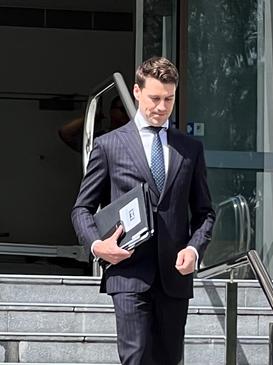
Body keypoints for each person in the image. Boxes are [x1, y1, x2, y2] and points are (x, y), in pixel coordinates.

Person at [71, 56, 215, 365]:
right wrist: (98, 246)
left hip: (174, 278)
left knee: (169, 360)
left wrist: (194, 248)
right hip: (128, 273)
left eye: (169, 99)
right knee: (135, 358)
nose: (162, 107)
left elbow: (205, 213)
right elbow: (82, 208)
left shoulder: (190, 148)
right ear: (137, 92)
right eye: (155, 98)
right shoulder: (109, 145)